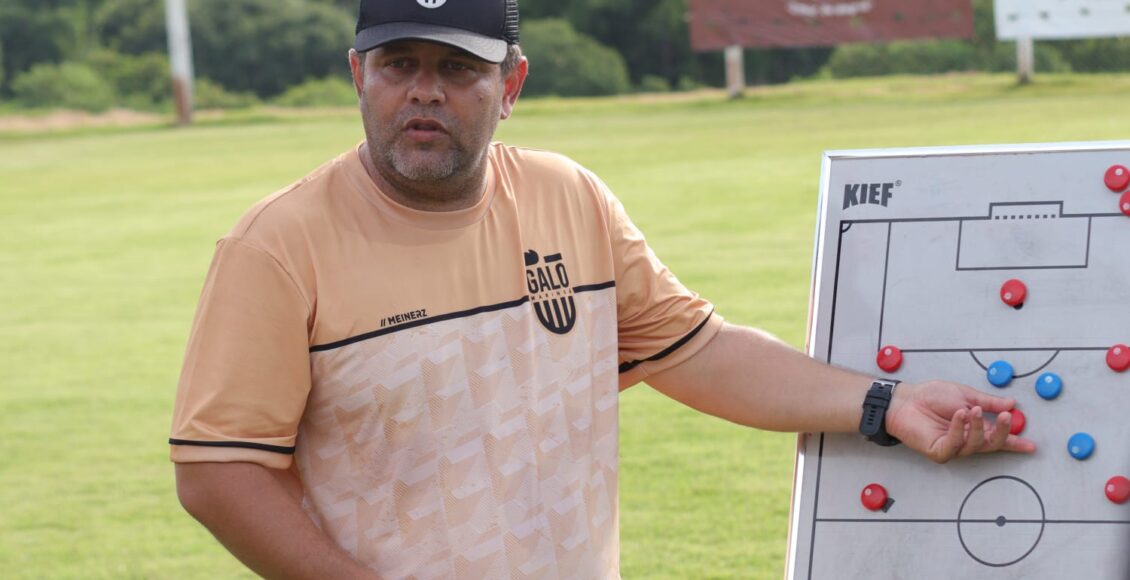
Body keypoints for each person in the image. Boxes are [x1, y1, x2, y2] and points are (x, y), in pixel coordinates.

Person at [169, 0, 1036, 578]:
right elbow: (220, 474)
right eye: (399, 63)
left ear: (510, 85)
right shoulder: (275, 247)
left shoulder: (567, 197)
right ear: (358, 74)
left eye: (457, 67)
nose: (424, 90)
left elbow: (698, 353)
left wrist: (885, 403)